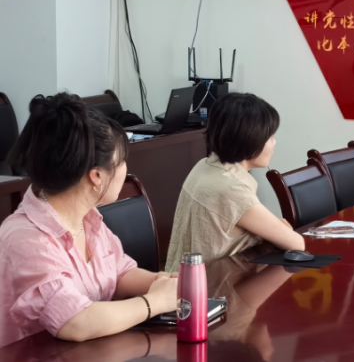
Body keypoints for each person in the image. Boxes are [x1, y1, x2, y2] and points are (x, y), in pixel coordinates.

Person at [0, 94, 178, 348]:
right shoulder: (26, 237)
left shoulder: (87, 218)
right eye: (121, 162)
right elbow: (75, 321)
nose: (125, 168)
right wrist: (154, 303)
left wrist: (163, 283)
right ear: (96, 176)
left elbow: (118, 273)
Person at [165, 93, 304, 272]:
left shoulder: (204, 166)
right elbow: (296, 243)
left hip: (182, 278)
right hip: (211, 285)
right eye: (270, 137)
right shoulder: (231, 188)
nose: (274, 143)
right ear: (250, 138)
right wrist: (277, 228)